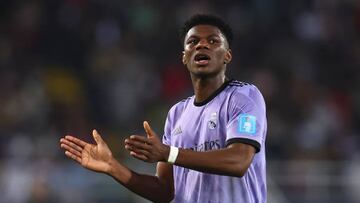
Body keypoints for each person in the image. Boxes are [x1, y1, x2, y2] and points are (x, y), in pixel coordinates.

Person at [60, 14, 267, 203]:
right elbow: (165, 191)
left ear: (227, 56)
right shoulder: (177, 113)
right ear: (184, 57)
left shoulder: (243, 96)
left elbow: (238, 161)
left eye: (213, 41)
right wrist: (113, 167)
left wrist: (169, 153)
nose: (202, 45)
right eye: (193, 42)